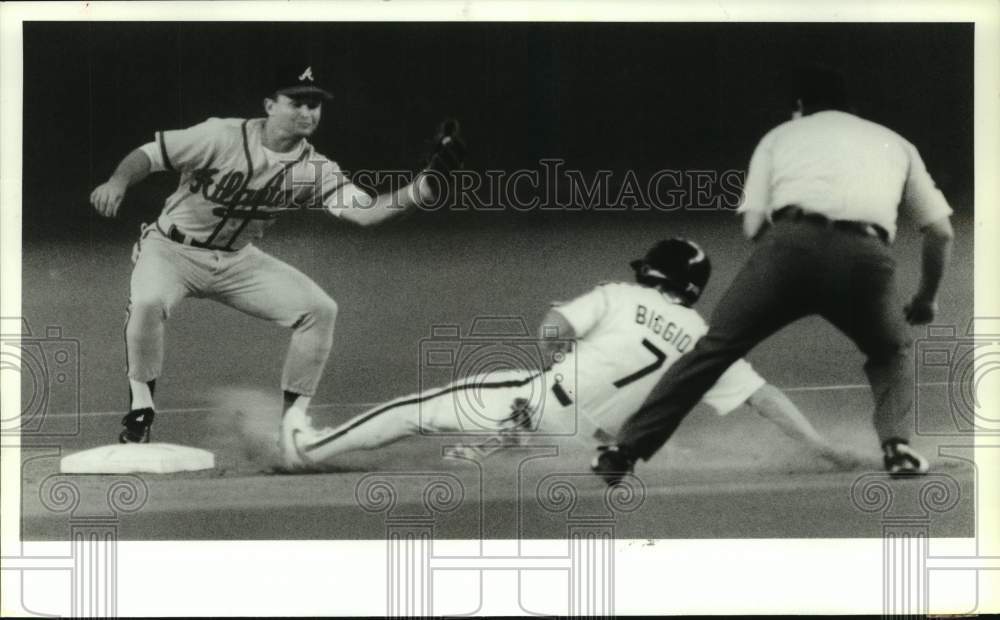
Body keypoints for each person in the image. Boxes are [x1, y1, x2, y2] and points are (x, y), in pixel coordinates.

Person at [592, 66, 954, 485]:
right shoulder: (897, 142)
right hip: (865, 257)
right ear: (851, 109)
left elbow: (752, 225)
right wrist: (927, 298)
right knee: (892, 353)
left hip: (787, 248)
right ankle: (898, 449)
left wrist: (784, 263)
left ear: (800, 108)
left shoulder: (779, 136)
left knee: (713, 352)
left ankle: (624, 452)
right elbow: (940, 231)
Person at [89, 63, 458, 461]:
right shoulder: (220, 135)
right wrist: (117, 181)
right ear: (269, 105)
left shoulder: (314, 168)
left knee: (319, 309)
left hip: (237, 261)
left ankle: (292, 427)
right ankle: (140, 411)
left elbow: (365, 212)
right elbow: (150, 154)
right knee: (146, 304)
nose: (307, 112)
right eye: (297, 102)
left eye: (315, 105)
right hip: (170, 250)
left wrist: (423, 188)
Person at [282, 238, 861, 472]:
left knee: (412, 411)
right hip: (590, 448)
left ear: (654, 275)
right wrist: (822, 448)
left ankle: (304, 449)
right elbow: (765, 398)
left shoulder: (621, 295)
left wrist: (565, 362)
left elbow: (552, 329)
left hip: (538, 404)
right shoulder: (710, 342)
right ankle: (504, 447)